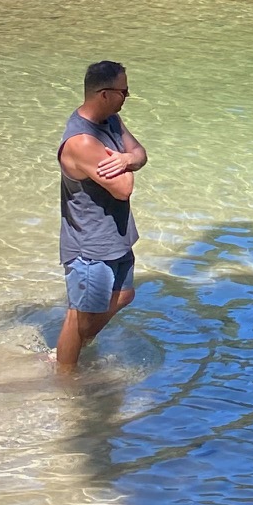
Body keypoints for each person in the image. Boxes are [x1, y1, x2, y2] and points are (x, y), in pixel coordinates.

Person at [57, 60, 147, 371]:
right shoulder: (82, 142)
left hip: (115, 235)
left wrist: (125, 159)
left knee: (124, 295)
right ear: (104, 94)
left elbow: (141, 154)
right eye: (124, 91)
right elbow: (123, 189)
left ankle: (71, 351)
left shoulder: (111, 121)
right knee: (78, 316)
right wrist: (128, 162)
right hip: (90, 243)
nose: (127, 97)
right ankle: (64, 375)